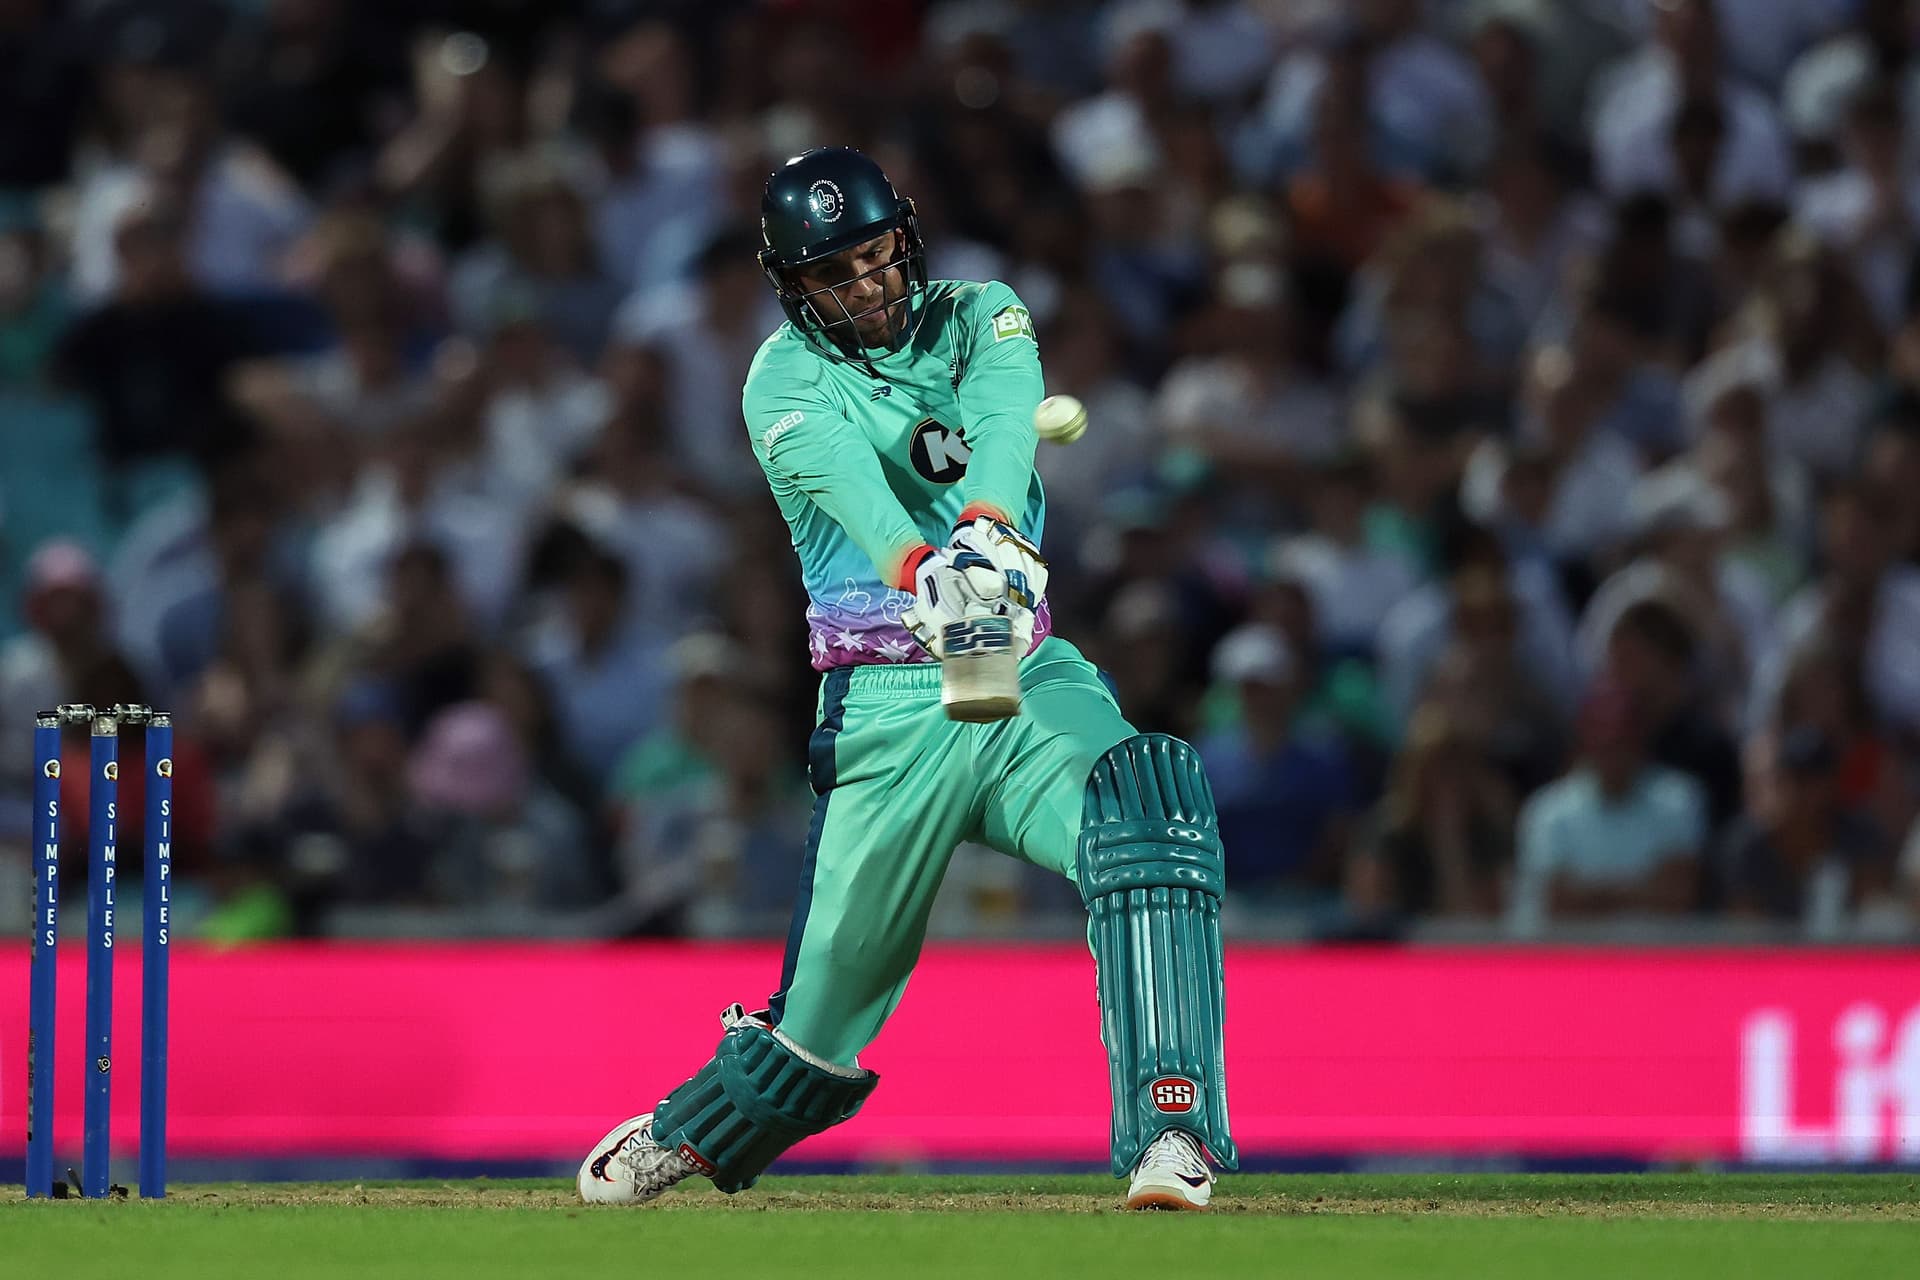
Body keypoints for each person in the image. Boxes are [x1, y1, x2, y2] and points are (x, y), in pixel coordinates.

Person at [576, 147, 1236, 1212]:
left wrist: (983, 532)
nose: (870, 285)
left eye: (878, 255)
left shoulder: (984, 313)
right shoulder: (782, 376)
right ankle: (695, 1129)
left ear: (908, 238)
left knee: (1146, 815)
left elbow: (1010, 414)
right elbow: (846, 490)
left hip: (1021, 670)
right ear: (796, 287)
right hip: (884, 703)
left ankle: (1170, 1129)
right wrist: (922, 568)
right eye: (837, 271)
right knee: (823, 1018)